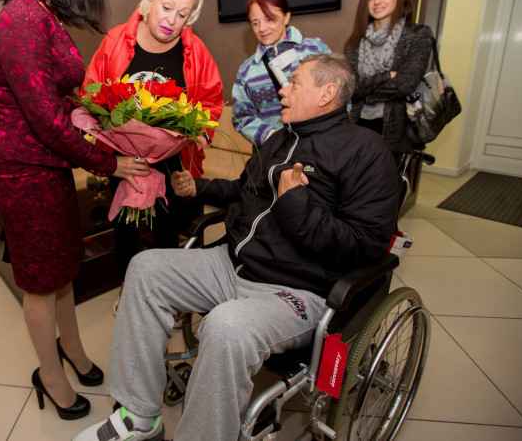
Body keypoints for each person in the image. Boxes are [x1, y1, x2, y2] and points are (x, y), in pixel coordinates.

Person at [73, 53, 400, 441]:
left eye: (294, 83)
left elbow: (365, 245)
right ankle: (140, 417)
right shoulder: (279, 139)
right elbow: (245, 192)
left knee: (226, 325)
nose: (282, 91)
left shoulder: (366, 152)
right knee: (145, 269)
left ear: (327, 93)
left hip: (296, 290)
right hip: (232, 263)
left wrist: (296, 205)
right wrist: (200, 188)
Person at [0, 0, 149, 421]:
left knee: (64, 271)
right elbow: (45, 120)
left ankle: (73, 351)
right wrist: (109, 165)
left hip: (48, 168)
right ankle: (50, 376)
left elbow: (65, 98)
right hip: (22, 171)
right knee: (40, 283)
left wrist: (113, 115)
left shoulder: (43, 14)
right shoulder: (20, 18)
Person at [83, 0, 223, 301]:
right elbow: (92, 94)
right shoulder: (115, 41)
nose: (171, 20)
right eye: (166, 7)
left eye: (182, 14)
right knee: (125, 228)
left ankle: (165, 296)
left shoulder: (196, 51)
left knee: (167, 229)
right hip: (123, 160)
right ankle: (127, 291)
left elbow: (211, 104)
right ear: (149, 0)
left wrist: (196, 136)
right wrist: (108, 152)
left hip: (172, 159)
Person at [344, 0, 434, 163]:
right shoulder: (354, 43)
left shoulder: (418, 35)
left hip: (396, 132)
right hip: (357, 127)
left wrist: (364, 92)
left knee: (386, 182)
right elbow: (350, 87)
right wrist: (386, 77)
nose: (377, 1)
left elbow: (404, 84)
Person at [233, 0, 330, 147]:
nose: (262, 28)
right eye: (255, 23)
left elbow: (339, 94)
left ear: (287, 17)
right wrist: (272, 137)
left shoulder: (315, 49)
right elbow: (240, 116)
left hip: (321, 146)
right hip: (274, 152)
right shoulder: (247, 70)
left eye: (270, 19)